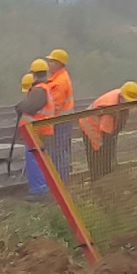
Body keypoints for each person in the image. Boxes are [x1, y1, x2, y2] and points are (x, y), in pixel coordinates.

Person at [79, 81, 137, 181]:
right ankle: (98, 180)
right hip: (90, 126)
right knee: (97, 155)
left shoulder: (121, 100)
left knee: (105, 153)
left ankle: (105, 176)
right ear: (122, 96)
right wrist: (108, 149)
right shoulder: (110, 107)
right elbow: (106, 132)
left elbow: (118, 124)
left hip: (99, 124)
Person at [15, 59, 55, 200]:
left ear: (33, 74)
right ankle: (42, 187)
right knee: (40, 160)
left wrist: (21, 107)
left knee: (34, 161)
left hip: (37, 131)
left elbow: (32, 107)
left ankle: (39, 190)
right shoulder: (45, 88)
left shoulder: (39, 90)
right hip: (41, 130)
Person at [46, 48, 74, 181]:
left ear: (58, 64)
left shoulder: (59, 82)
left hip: (60, 122)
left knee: (58, 151)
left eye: (51, 61)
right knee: (60, 150)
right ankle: (61, 178)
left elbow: (54, 106)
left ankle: (61, 180)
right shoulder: (58, 78)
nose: (48, 64)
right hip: (62, 121)